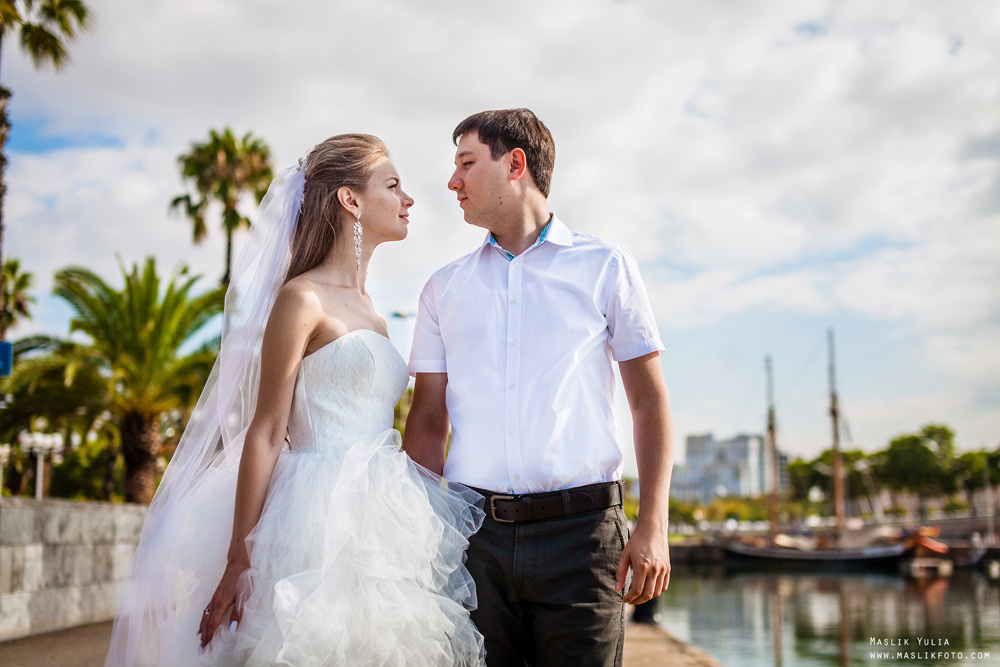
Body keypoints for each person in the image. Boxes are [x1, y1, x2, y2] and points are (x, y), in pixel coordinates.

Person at [105, 134, 486, 666]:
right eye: (393, 185)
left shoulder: (376, 313)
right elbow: (266, 430)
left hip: (378, 518)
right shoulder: (300, 298)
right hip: (309, 515)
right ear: (349, 200)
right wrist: (240, 556)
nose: (409, 199)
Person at [403, 109, 674, 666]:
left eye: (466, 163)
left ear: (515, 164)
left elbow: (649, 401)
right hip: (473, 539)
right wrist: (422, 536)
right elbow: (428, 421)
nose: (452, 181)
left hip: (583, 540)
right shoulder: (442, 289)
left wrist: (654, 526)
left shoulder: (606, 266)